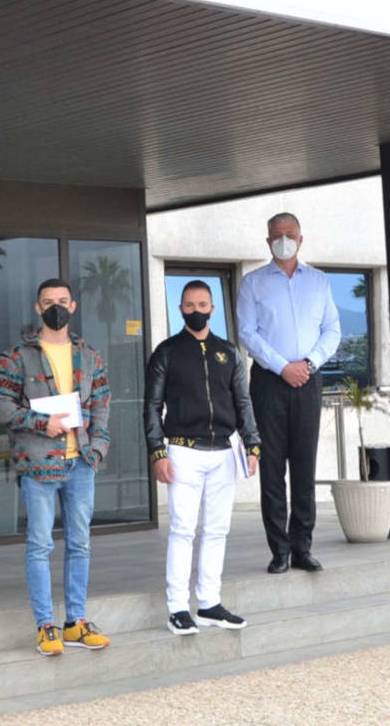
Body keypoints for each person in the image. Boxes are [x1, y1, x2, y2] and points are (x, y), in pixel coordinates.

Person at [0, 278, 112, 656]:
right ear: (37, 308)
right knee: (40, 545)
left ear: (73, 306)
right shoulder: (16, 356)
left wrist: (98, 448)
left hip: (81, 463)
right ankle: (45, 626)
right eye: (47, 302)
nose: (55, 307)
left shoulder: (89, 354)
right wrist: (42, 423)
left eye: (62, 300)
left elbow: (102, 404)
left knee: (80, 544)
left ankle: (75, 622)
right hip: (39, 463)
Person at [146, 280, 263, 635]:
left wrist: (253, 444)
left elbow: (243, 401)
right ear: (180, 309)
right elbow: (152, 406)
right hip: (182, 450)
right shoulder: (167, 352)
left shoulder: (228, 352)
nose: (196, 310)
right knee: (182, 529)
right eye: (189, 305)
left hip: (224, 452)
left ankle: (210, 603)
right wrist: (157, 451)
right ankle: (178, 607)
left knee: (217, 530)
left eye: (202, 304)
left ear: (212, 308)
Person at [236, 212, 341, 574]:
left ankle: (302, 548)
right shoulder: (252, 283)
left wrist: (308, 364)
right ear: (268, 241)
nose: (284, 240)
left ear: (301, 238)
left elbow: (332, 330)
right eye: (277, 235)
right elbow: (247, 333)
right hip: (269, 381)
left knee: (304, 466)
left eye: (290, 233)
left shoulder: (319, 281)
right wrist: (283, 366)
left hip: (308, 380)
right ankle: (279, 550)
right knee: (271, 468)